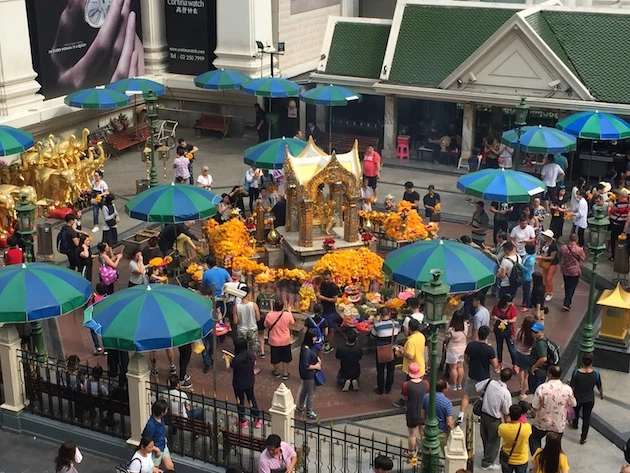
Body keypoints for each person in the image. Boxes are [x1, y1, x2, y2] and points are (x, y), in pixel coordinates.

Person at [530, 365, 577, 454]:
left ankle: (537, 460)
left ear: (550, 375)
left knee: (534, 439)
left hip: (542, 422)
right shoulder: (567, 389)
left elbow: (535, 405)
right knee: (555, 445)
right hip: (558, 423)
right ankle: (552, 462)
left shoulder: (542, 388)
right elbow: (573, 403)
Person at [458, 326, 499, 425]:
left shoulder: (471, 345)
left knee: (467, 394)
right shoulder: (489, 349)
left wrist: (470, 364)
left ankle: (461, 415)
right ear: (487, 336)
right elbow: (495, 364)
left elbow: (466, 357)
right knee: (484, 396)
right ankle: (480, 416)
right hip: (484, 376)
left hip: (472, 373)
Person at [477, 368, 514, 470]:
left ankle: (486, 454)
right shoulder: (505, 393)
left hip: (483, 415)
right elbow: (507, 411)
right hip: (494, 419)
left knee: (485, 437)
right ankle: (487, 462)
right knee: (493, 441)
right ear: (509, 379)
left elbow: (477, 388)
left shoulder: (489, 382)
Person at [570, 353, 604, 444]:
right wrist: (601, 394)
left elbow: (572, 387)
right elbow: (599, 385)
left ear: (582, 361)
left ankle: (575, 424)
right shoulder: (596, 374)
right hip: (589, 399)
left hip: (577, 398)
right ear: (591, 362)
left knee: (576, 412)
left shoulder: (576, 373)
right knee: (587, 418)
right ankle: (583, 437)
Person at [229, 337, 262, 429]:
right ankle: (257, 419)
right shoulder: (251, 355)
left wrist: (227, 360)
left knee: (240, 401)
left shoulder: (237, 359)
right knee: (251, 399)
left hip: (238, 383)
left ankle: (242, 420)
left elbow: (230, 367)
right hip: (249, 381)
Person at [393, 318, 426, 408]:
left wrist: (402, 351)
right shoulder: (421, 336)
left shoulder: (411, 341)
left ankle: (406, 402)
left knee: (408, 387)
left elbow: (410, 356)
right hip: (421, 365)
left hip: (413, 368)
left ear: (409, 328)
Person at [371, 307, 400, 395]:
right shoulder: (397, 324)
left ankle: (380, 389)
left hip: (381, 350)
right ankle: (388, 388)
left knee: (380, 370)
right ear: (389, 314)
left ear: (380, 315)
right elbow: (397, 333)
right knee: (391, 370)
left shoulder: (377, 326)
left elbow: (372, 336)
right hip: (392, 349)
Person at [403, 362, 429, 457]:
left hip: (412, 411)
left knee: (412, 434)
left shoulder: (406, 385)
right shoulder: (425, 383)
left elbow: (404, 396)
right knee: (422, 433)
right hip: (423, 411)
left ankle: (411, 452)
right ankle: (425, 450)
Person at [265, 300, 295, 380]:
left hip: (274, 340)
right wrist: (289, 311)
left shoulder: (269, 315)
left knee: (275, 357)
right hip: (285, 339)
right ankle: (285, 373)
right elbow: (292, 322)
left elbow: (266, 325)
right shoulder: (287, 315)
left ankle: (276, 372)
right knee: (286, 357)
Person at [421, 379, 454, 452]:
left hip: (428, 431)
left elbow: (422, 416)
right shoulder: (447, 403)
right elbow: (449, 423)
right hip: (442, 433)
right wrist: (453, 432)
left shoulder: (426, 397)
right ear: (444, 389)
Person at [498, 404, 533, 473]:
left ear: (509, 414)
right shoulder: (527, 427)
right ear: (520, 415)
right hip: (522, 459)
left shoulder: (503, 428)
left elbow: (499, 434)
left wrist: (507, 421)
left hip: (507, 459)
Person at [142, 399, 175, 471]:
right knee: (155, 469)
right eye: (165, 409)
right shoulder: (151, 425)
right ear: (162, 412)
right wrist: (155, 449)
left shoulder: (160, 418)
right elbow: (146, 439)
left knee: (170, 466)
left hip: (163, 445)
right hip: (156, 449)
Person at [297, 329, 321, 419]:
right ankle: (309, 411)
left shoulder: (306, 347)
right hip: (309, 375)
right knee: (311, 393)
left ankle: (301, 406)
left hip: (305, 375)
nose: (315, 339)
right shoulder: (306, 351)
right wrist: (316, 366)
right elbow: (306, 365)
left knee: (304, 390)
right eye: (314, 337)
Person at [492, 294, 518, 373]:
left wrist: (508, 321)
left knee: (512, 349)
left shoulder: (512, 307)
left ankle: (515, 364)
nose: (510, 303)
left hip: (509, 331)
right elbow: (492, 316)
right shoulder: (496, 306)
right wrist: (494, 317)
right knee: (499, 348)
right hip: (499, 330)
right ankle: (500, 363)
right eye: (509, 302)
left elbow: (514, 319)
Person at [559, 233, 585, 311]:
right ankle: (567, 303)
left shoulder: (563, 247)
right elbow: (583, 258)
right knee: (572, 287)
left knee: (567, 285)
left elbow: (560, 255)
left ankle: (567, 298)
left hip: (565, 269)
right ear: (577, 240)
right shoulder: (579, 249)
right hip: (574, 271)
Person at [316, 270, 340, 354]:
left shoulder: (333, 287)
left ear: (331, 277)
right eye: (325, 279)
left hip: (330, 311)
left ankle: (328, 344)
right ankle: (322, 341)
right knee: (322, 327)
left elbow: (335, 299)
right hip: (323, 309)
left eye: (328, 279)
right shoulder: (323, 284)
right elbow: (320, 291)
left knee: (330, 329)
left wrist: (323, 298)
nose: (326, 281)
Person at [445, 311, 468, 391]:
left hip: (453, 350)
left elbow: (446, 339)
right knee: (460, 366)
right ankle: (459, 384)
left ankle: (453, 385)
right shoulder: (465, 326)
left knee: (453, 368)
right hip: (462, 349)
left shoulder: (451, 330)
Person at [234, 286, 261, 353]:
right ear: (248, 294)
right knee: (253, 350)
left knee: (242, 349)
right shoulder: (254, 305)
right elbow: (258, 318)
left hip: (241, 330)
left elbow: (235, 321)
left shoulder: (236, 307)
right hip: (252, 329)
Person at [515, 315, 535, 400]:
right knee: (526, 375)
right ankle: (523, 393)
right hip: (528, 355)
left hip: (519, 353)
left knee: (520, 371)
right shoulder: (532, 335)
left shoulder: (519, 331)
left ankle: (520, 387)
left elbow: (515, 342)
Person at [538, 230, 558, 302]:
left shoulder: (553, 246)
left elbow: (552, 257)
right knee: (545, 278)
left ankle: (550, 293)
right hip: (545, 262)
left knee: (549, 278)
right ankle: (546, 290)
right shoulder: (544, 243)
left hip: (552, 263)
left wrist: (542, 257)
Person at [612, 189, 630, 260]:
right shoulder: (629, 205)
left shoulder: (617, 205)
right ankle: (621, 255)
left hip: (617, 224)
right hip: (624, 224)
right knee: (622, 242)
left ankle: (614, 256)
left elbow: (612, 212)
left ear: (621, 196)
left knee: (614, 240)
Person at [521, 243, 536, 312]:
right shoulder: (527, 255)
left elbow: (527, 269)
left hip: (527, 276)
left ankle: (528, 305)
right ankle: (524, 302)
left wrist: (519, 266)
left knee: (527, 291)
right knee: (524, 290)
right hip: (524, 276)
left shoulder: (531, 259)